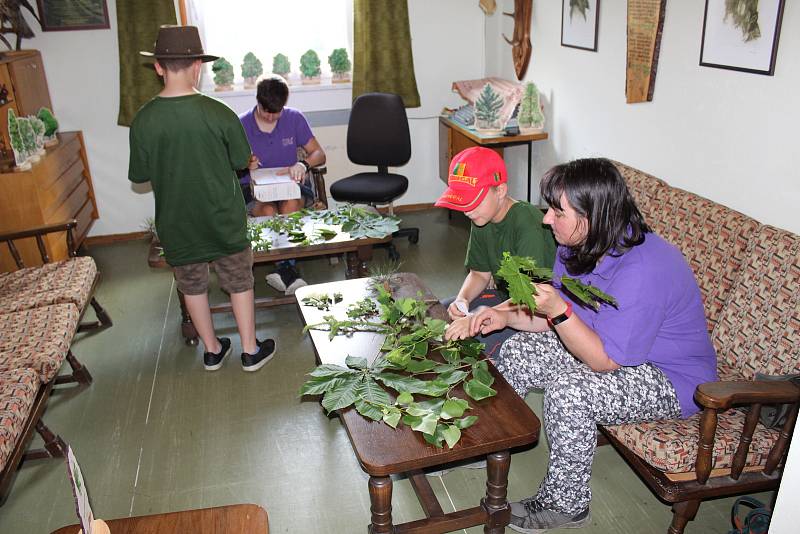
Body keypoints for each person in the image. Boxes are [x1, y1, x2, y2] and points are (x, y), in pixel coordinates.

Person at [445, 158, 718, 533]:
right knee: (518, 350)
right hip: (610, 347)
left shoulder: (645, 269)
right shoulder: (575, 245)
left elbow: (603, 360)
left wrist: (558, 310)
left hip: (672, 377)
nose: (546, 219)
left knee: (570, 392)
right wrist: (505, 317)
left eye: (558, 211)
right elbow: (552, 318)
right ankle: (487, 441)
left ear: (592, 216)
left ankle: (566, 504)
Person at [129, 25, 276, 372]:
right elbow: (242, 160)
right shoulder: (219, 112)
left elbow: (139, 176)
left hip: (177, 221)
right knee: (239, 281)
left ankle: (211, 350)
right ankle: (250, 350)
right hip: (222, 216)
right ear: (198, 66)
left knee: (192, 285)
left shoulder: (144, 120)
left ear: (158, 67)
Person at [434, 146, 556, 359]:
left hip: (535, 311)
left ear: (500, 191)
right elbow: (479, 274)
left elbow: (529, 296)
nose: (467, 210)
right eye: (462, 200)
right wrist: (462, 299)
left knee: (471, 346)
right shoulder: (481, 216)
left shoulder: (526, 223)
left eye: (473, 200)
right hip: (505, 299)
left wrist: (475, 319)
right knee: (438, 314)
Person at [238, 74, 327, 295]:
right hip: (254, 191)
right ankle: (289, 272)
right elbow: (225, 165)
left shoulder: (294, 118)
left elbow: (319, 154)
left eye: (276, 113)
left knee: (288, 205)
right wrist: (244, 165)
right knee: (267, 209)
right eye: (266, 111)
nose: (270, 117)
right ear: (257, 101)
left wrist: (303, 164)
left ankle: (283, 270)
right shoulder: (241, 124)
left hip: (291, 187)